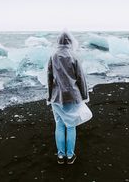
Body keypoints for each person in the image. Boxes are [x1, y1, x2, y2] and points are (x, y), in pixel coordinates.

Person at [47, 31, 89, 165]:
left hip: (56, 97)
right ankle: (70, 156)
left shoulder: (53, 56)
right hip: (72, 96)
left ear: (58, 41)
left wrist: (49, 96)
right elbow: (81, 78)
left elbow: (49, 78)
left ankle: (60, 155)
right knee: (71, 126)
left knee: (59, 124)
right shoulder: (74, 56)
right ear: (70, 41)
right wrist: (84, 96)